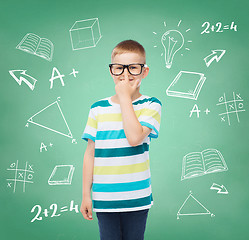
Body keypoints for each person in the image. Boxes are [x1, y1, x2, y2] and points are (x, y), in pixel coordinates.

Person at [80, 39, 162, 240]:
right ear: (111, 71)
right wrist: (85, 195)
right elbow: (90, 154)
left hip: (136, 197)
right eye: (119, 68)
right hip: (104, 198)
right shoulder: (98, 108)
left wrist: (125, 98)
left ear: (144, 71)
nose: (125, 74)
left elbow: (134, 138)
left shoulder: (151, 105)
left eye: (133, 68)